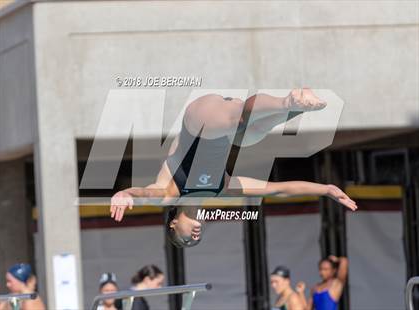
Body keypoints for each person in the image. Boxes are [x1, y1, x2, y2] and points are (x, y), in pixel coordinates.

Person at [110, 89, 358, 246]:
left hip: (199, 120)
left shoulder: (168, 194)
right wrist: (325, 189)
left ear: (173, 224)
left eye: (186, 240)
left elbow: (144, 194)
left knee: (239, 121)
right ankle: (295, 107)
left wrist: (125, 194)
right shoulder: (221, 189)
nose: (194, 238)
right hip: (229, 127)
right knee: (251, 135)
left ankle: (288, 100)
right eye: (196, 240)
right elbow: (277, 189)